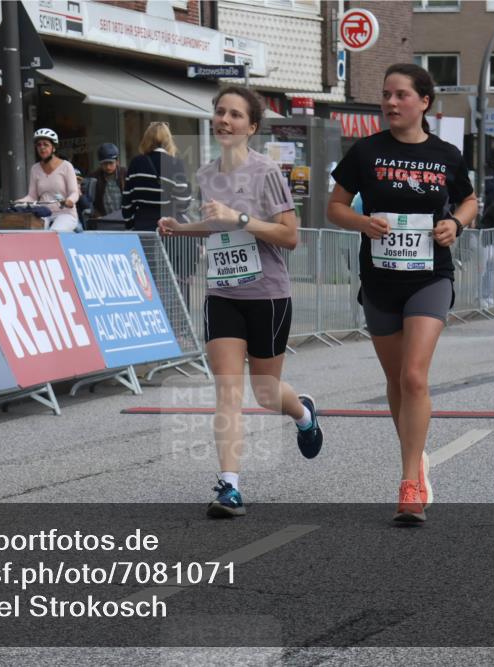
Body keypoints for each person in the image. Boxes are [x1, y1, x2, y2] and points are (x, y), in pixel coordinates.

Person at [158, 86, 324, 519]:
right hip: (222, 293)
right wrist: (182, 227)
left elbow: (289, 236)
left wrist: (241, 219)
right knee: (228, 390)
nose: (224, 120)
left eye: (235, 115)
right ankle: (229, 486)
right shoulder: (207, 174)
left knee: (266, 393)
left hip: (267, 293)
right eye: (219, 112)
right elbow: (219, 228)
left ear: (251, 127)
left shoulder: (266, 172)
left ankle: (303, 413)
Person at [327, 63, 477, 522]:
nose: (391, 103)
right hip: (379, 280)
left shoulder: (446, 154)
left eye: (401, 95)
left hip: (430, 276)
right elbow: (333, 206)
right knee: (395, 382)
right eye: (386, 95)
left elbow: (469, 199)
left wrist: (456, 223)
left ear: (424, 102)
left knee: (414, 376)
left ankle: (409, 482)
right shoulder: (366, 152)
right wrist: (361, 222)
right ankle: (418, 457)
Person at [122, 122, 192, 231]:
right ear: (168, 140)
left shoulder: (136, 163)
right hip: (168, 228)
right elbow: (182, 203)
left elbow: (127, 201)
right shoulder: (176, 164)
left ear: (147, 139)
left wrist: (131, 227)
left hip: (142, 226)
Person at [17, 128, 81, 232]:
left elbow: (74, 192)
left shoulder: (66, 166)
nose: (42, 148)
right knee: (32, 232)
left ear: (54, 148)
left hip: (65, 213)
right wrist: (18, 202)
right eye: (39, 145)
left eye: (45, 144)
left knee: (54, 232)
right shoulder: (35, 168)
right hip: (44, 212)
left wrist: (69, 201)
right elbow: (32, 196)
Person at [89, 143, 126, 218]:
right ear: (100, 164)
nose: (108, 167)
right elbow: (90, 202)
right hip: (103, 220)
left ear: (117, 161)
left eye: (111, 163)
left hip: (124, 218)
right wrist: (97, 216)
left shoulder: (125, 174)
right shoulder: (94, 177)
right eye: (104, 164)